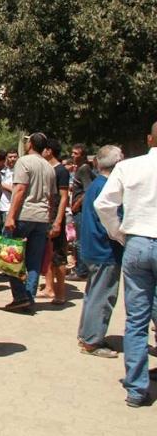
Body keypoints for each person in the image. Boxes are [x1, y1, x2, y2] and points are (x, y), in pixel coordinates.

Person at [94, 123, 157, 408]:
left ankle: (135, 387)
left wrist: (119, 233)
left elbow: (104, 204)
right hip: (140, 239)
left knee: (136, 319)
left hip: (138, 242)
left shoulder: (129, 167)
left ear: (149, 139)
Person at [76, 145, 124, 358]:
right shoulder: (109, 188)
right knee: (103, 295)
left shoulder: (96, 184)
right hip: (105, 249)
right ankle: (93, 341)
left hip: (92, 247)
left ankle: (87, 334)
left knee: (93, 293)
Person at [3, 133, 56, 312]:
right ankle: (29, 297)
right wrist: (49, 219)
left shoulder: (24, 162)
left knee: (10, 256)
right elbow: (51, 196)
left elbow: (20, 189)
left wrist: (11, 216)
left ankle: (20, 296)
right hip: (41, 218)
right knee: (34, 261)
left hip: (23, 215)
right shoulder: (49, 167)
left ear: (31, 144)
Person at [38, 138, 70, 305]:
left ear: (49, 151)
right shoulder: (48, 169)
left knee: (58, 255)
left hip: (56, 217)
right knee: (49, 254)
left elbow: (64, 196)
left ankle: (61, 293)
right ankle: (49, 288)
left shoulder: (61, 171)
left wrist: (57, 220)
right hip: (47, 216)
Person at [67, 143, 96, 281]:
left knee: (79, 241)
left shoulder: (84, 170)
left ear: (83, 156)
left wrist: (77, 205)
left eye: (76, 153)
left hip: (81, 211)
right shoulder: (79, 170)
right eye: (72, 153)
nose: (73, 156)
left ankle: (81, 271)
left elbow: (88, 190)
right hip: (78, 210)